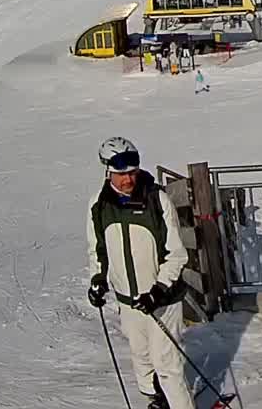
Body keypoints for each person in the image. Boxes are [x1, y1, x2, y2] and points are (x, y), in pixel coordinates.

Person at [86, 137, 195, 409]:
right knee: (142, 361)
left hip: (162, 300)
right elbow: (97, 250)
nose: (128, 179)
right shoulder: (98, 206)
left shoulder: (157, 200)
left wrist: (157, 291)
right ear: (108, 172)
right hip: (128, 302)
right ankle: (157, 402)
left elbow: (177, 254)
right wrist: (98, 281)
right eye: (122, 174)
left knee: (167, 366)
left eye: (132, 172)